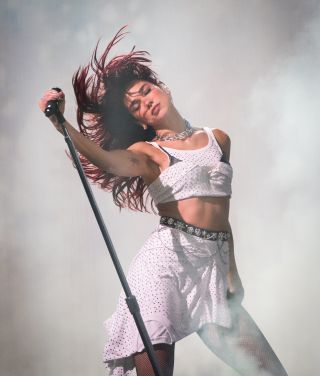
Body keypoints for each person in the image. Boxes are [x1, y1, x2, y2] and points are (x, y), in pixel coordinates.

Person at [39, 27, 287, 376]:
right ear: (139, 120)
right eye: (136, 106)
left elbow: (220, 215)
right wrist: (61, 124)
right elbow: (109, 162)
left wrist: (232, 273)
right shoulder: (148, 153)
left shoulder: (218, 139)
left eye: (146, 91)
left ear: (163, 89)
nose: (145, 101)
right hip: (164, 269)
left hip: (211, 271)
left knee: (270, 372)